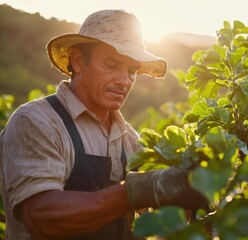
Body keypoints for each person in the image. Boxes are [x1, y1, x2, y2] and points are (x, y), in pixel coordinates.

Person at [0, 9, 206, 239]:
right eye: (111, 64)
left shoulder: (130, 140)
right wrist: (134, 191)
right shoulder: (36, 122)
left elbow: (163, 214)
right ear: (78, 61)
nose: (123, 81)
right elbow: (42, 217)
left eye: (132, 71)